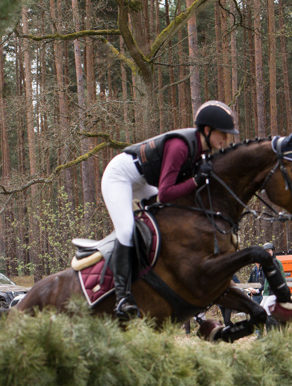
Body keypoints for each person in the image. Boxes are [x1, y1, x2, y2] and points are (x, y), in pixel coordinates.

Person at [101, 101, 238, 320]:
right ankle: (122, 298)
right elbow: (165, 194)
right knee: (126, 231)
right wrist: (196, 180)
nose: (226, 139)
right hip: (119, 176)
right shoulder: (180, 146)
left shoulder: (201, 150)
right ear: (207, 130)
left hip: (142, 182)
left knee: (168, 217)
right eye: (223, 133)